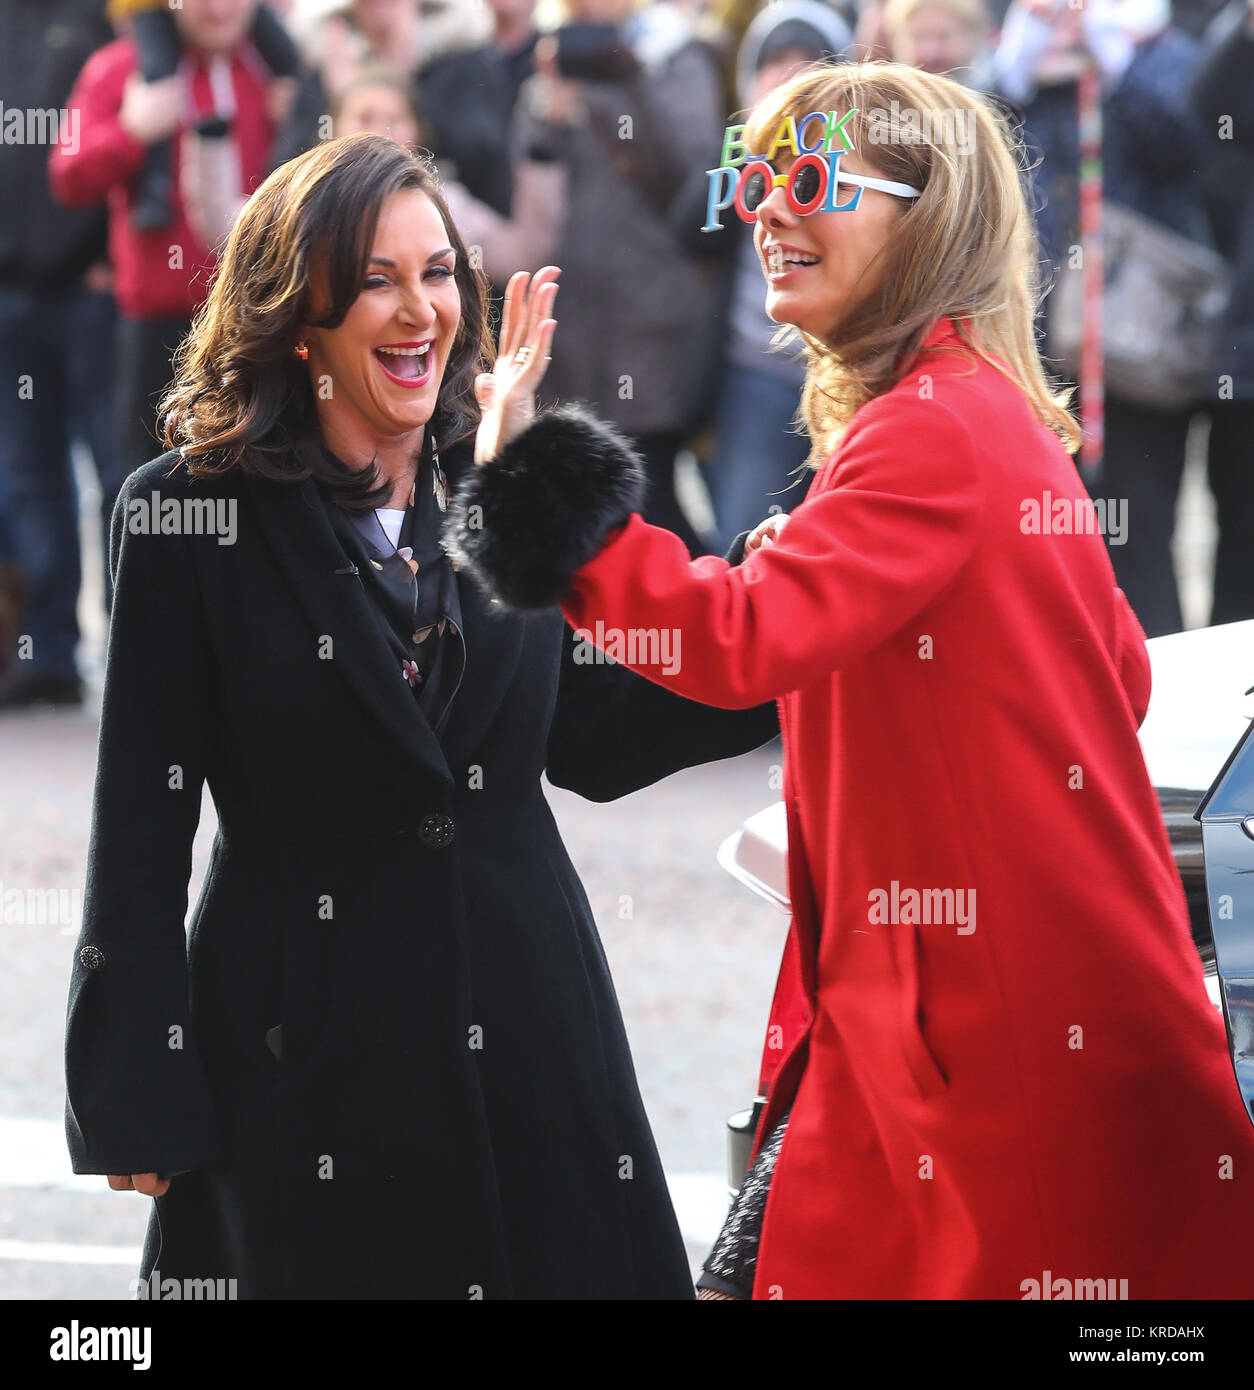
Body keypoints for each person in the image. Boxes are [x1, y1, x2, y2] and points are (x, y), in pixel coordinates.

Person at [443, 60, 1254, 1298]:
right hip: (960, 1024)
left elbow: (734, 642)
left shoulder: (929, 429)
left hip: (976, 1042)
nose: (766, 207)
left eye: (809, 179)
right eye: (753, 178)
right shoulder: (981, 419)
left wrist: (529, 477)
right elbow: (1123, 677)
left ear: (923, 220)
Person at [64, 131, 777, 1299]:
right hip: (300, 1051)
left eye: (440, 272)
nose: (421, 311)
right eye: (380, 278)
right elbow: (142, 817)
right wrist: (137, 1078)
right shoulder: (185, 513)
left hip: (530, 1034)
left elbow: (590, 735)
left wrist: (772, 620)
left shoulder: (505, 472)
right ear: (301, 312)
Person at [48, 0, 282, 520]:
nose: (219, 9)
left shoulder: (273, 68)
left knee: (251, 501)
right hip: (156, 328)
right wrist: (131, 131)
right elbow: (67, 174)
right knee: (143, 498)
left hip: (256, 325)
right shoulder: (122, 66)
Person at [0, 0, 118, 708]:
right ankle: (47, 651)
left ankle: (130, 643)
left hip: (90, 288)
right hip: (10, 290)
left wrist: (110, 251)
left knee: (115, 469)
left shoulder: (101, 12)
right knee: (28, 473)